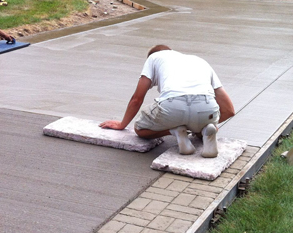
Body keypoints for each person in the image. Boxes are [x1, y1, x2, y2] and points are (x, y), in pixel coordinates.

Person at [99, 45, 235, 158]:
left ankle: (176, 131)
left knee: (140, 129)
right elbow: (229, 111)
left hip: (172, 104)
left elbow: (137, 99)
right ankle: (205, 130)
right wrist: (197, 126)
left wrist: (122, 124)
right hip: (206, 106)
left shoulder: (153, 57)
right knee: (200, 124)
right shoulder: (200, 61)